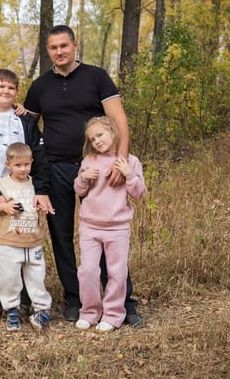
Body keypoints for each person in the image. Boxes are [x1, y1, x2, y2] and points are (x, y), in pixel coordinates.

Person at [24, 24, 143, 326]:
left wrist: (120, 161)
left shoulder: (96, 76)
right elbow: (27, 129)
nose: (59, 52)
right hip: (56, 169)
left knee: (105, 232)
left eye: (64, 45)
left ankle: (123, 304)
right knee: (62, 236)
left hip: (98, 168)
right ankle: (76, 299)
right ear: (47, 50)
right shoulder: (39, 87)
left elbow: (118, 119)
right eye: (53, 47)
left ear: (75, 45)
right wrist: (38, 179)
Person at [0, 69, 54, 327]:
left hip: (25, 194)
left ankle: (24, 302)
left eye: (11, 88)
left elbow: (40, 157)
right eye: (1, 87)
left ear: (17, 92)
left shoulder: (24, 120)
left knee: (25, 246)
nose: (6, 91)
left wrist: (41, 190)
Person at [73, 117, 146, 332]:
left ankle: (113, 315)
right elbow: (79, 190)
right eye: (92, 139)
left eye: (100, 135)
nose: (97, 141)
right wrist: (83, 178)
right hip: (90, 226)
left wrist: (129, 174)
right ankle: (89, 312)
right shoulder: (89, 160)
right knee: (87, 271)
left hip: (117, 228)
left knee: (117, 273)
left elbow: (139, 193)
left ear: (113, 132)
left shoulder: (130, 161)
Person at [0, 142, 52, 332]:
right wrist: (4, 207)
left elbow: (41, 202)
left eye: (26, 164)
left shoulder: (35, 184)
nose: (23, 169)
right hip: (9, 241)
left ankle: (41, 309)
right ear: (8, 165)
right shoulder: (2, 184)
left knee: (36, 276)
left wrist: (43, 207)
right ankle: (12, 310)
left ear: (32, 163)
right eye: (18, 165)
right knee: (9, 278)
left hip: (33, 240)